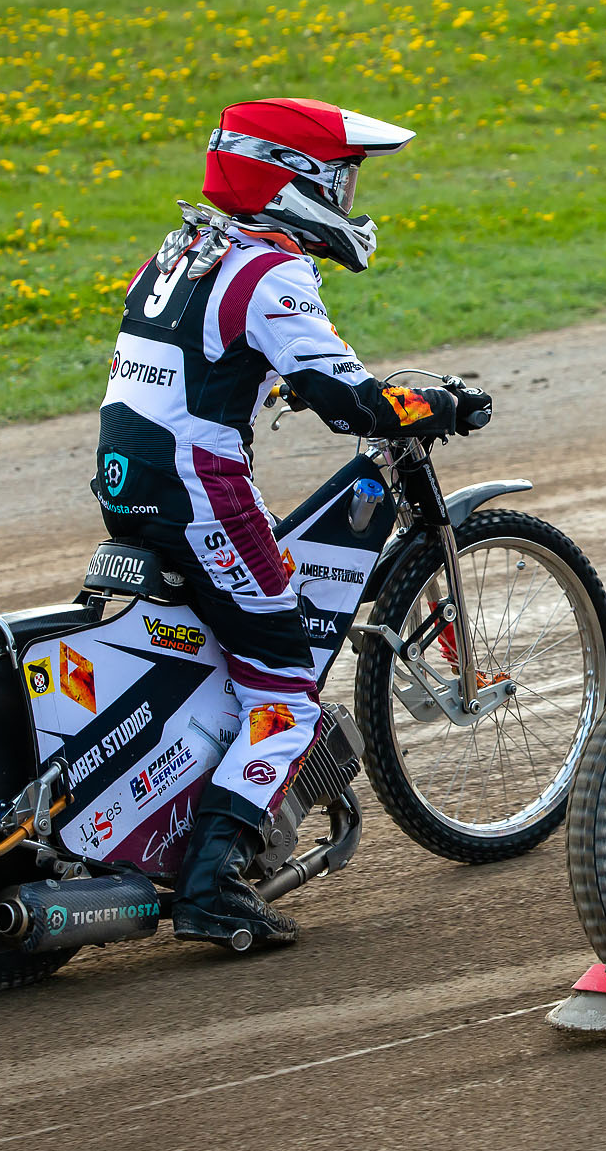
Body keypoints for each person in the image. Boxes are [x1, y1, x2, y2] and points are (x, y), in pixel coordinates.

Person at [96, 96, 490, 949]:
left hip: (128, 479)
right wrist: (436, 403)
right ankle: (210, 887)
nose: (350, 199)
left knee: (226, 636)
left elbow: (215, 364)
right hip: (200, 492)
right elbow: (349, 403)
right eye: (342, 178)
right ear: (296, 181)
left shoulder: (185, 248)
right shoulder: (270, 269)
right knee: (285, 690)